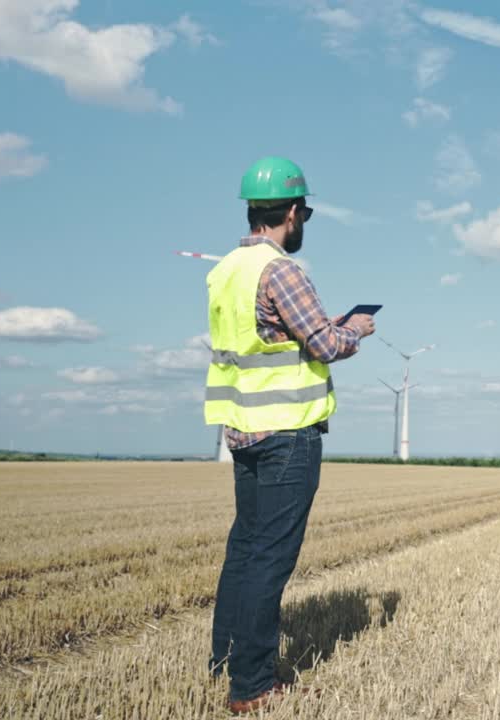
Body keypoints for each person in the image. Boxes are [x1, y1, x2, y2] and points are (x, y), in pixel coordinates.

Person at [204, 157, 375, 714]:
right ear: (294, 212)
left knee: (244, 549)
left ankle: (225, 662)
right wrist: (356, 328)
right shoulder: (282, 271)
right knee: (270, 560)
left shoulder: (225, 269)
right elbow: (325, 345)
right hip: (287, 433)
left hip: (242, 430)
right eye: (306, 214)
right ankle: (251, 685)